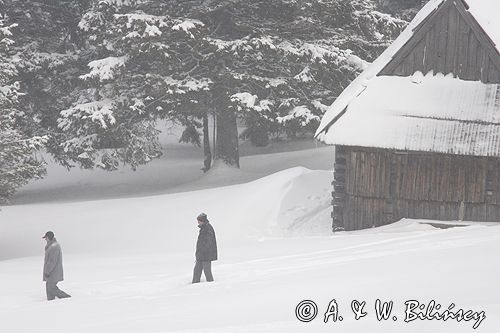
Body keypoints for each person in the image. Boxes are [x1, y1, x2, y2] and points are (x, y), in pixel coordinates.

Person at [43, 231, 71, 300]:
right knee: (49, 288)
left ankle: (68, 298)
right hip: (52, 272)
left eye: (46, 238)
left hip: (53, 272)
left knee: (52, 288)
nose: (45, 240)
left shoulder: (54, 247)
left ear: (49, 238)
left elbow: (52, 261)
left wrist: (47, 272)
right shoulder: (51, 246)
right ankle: (50, 303)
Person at [192, 213, 218, 283]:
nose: (198, 222)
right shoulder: (203, 228)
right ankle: (194, 285)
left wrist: (202, 251)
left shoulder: (208, 228)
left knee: (207, 272)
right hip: (201, 255)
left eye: (199, 221)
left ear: (202, 221)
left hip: (206, 255)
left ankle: (211, 286)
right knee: (196, 271)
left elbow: (209, 242)